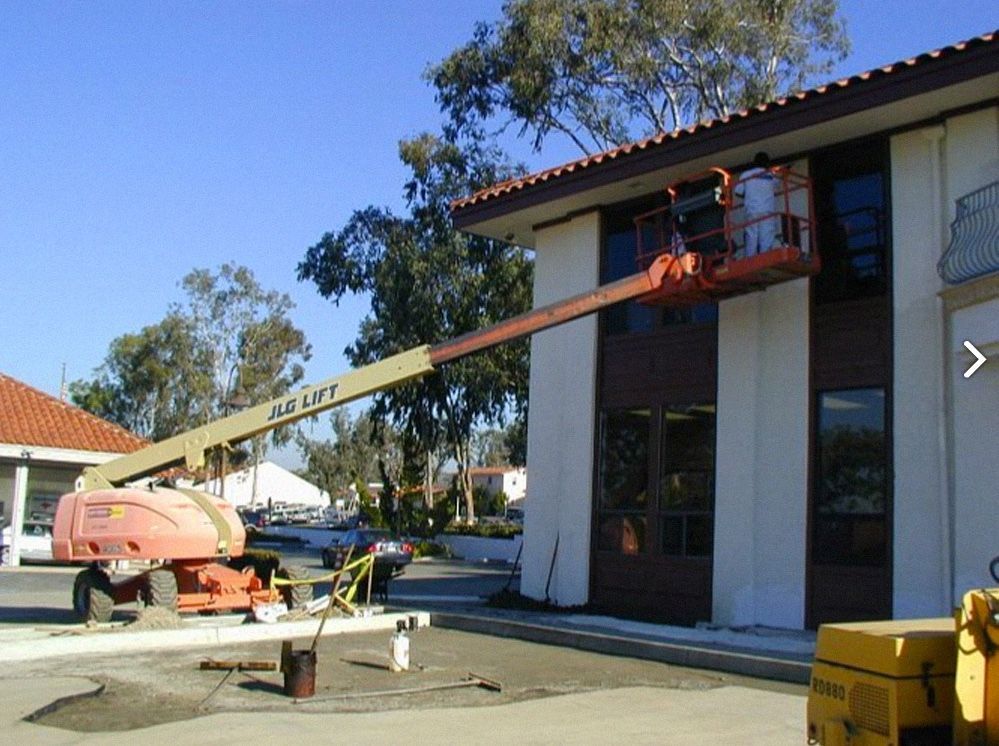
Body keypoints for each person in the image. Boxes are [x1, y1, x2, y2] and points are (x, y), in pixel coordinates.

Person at [734, 151, 781, 256]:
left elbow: (738, 192)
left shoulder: (746, 175)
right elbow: (776, 185)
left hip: (752, 210)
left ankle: (750, 258)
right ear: (767, 163)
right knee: (767, 236)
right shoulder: (771, 175)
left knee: (752, 236)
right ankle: (766, 257)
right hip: (767, 211)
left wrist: (749, 195)